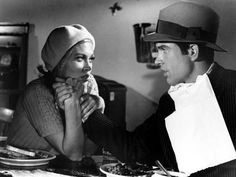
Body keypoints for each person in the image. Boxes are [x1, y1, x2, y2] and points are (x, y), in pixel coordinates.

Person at [54, 1, 236, 177]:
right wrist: (83, 107)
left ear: (192, 51)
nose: (157, 59)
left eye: (163, 49)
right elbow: (134, 149)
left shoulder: (232, 88)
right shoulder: (171, 101)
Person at [7, 24, 105, 161]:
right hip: (20, 168)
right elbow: (74, 154)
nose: (88, 67)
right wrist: (72, 104)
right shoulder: (37, 92)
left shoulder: (88, 84)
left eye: (91, 58)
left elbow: (87, 150)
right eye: (79, 58)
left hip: (58, 168)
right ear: (59, 62)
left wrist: (99, 105)